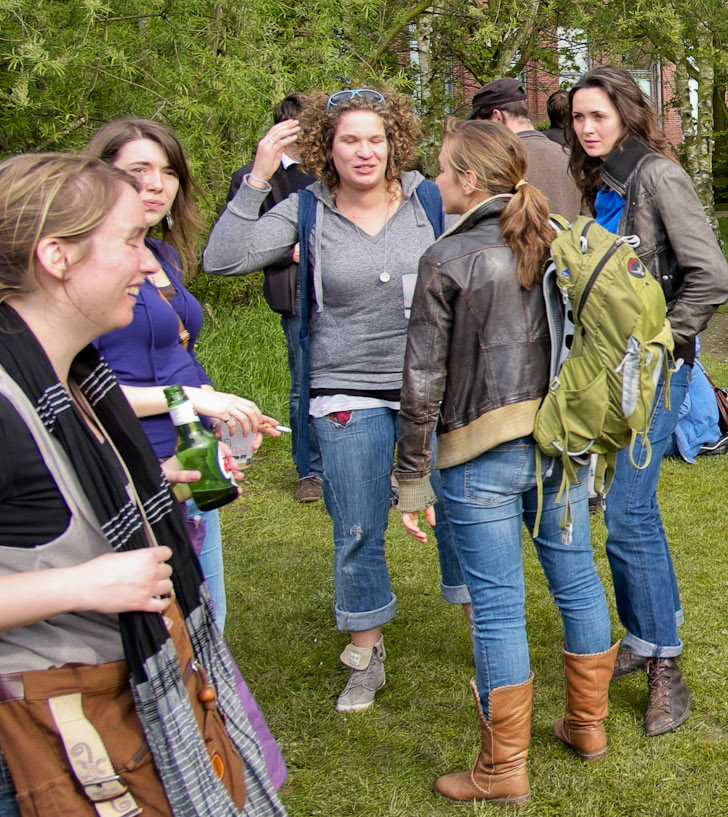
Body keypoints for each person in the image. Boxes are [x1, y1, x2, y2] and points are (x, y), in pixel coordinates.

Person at [0, 152, 286, 817]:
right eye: (129, 241)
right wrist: (86, 583)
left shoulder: (71, 377)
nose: (144, 264)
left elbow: (41, 515)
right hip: (40, 745)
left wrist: (155, 486)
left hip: (112, 709)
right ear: (55, 256)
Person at [205, 85, 466, 713]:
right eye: (350, 138)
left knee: (459, 513)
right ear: (328, 146)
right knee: (355, 525)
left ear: (393, 140)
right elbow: (221, 259)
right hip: (345, 387)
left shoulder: (427, 198)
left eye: (375, 138)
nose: (364, 151)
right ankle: (365, 648)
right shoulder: (306, 210)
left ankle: (485, 629)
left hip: (431, 388)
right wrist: (258, 175)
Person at [396, 120, 613, 803]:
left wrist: (409, 477)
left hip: (477, 451)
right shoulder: (553, 238)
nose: (434, 181)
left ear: (468, 179)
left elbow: (422, 380)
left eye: (440, 169)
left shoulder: (447, 257)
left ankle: (501, 767)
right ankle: (588, 725)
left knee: (497, 607)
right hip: (560, 444)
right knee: (576, 580)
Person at [569, 65, 728, 736]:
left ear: (627, 115)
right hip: (610, 369)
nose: (585, 128)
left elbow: (711, 276)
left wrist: (664, 341)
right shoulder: (601, 182)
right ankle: (644, 633)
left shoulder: (656, 176)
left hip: (656, 370)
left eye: (597, 116)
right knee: (634, 510)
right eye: (577, 118)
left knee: (628, 511)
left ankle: (666, 663)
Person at [86, 117, 280, 632]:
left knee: (206, 620)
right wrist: (192, 400)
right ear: (97, 175)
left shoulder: (162, 255)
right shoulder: (85, 264)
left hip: (192, 457)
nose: (156, 184)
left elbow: (173, 357)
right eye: (137, 170)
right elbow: (72, 390)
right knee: (151, 634)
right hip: (125, 464)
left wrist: (224, 416)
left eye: (168, 172)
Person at [226, 94, 323, 503]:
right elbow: (235, 241)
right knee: (304, 380)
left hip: (343, 286)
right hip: (296, 290)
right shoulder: (254, 177)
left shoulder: (331, 170)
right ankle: (311, 472)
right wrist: (289, 251)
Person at [470, 77, 580, 219]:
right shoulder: (571, 158)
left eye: (482, 127)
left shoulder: (493, 164)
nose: (482, 135)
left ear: (497, 117)